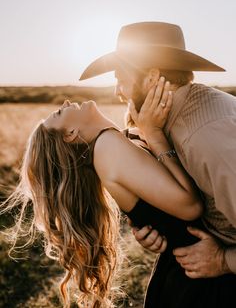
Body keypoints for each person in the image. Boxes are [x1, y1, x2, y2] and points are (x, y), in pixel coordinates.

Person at [0, 86, 204, 308]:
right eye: (60, 113)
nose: (66, 102)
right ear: (70, 134)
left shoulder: (114, 141)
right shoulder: (108, 147)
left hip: (187, 271)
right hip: (200, 280)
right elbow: (191, 206)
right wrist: (154, 134)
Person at [79, 21, 236, 307]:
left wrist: (224, 260)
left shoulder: (207, 137)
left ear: (152, 78)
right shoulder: (165, 120)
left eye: (121, 78)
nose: (118, 91)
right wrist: (153, 223)